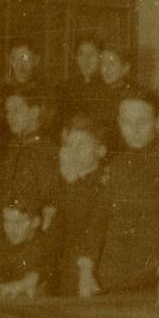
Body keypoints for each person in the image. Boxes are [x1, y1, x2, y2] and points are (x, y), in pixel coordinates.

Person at [82, 90, 159, 315]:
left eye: (142, 122)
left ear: (158, 122)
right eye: (127, 122)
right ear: (119, 123)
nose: (134, 129)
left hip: (152, 286)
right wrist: (86, 268)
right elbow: (99, 219)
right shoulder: (118, 165)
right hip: (109, 283)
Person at [52, 113, 110, 297]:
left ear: (101, 150)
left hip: (93, 276)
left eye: (82, 144)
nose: (74, 151)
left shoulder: (105, 185)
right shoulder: (67, 182)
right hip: (65, 275)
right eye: (69, 144)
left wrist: (72, 185)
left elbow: (91, 230)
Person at [0, 88, 61, 234]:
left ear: (34, 112)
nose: (10, 116)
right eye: (8, 111)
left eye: (16, 110)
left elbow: (47, 199)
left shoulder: (46, 150)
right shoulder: (14, 145)